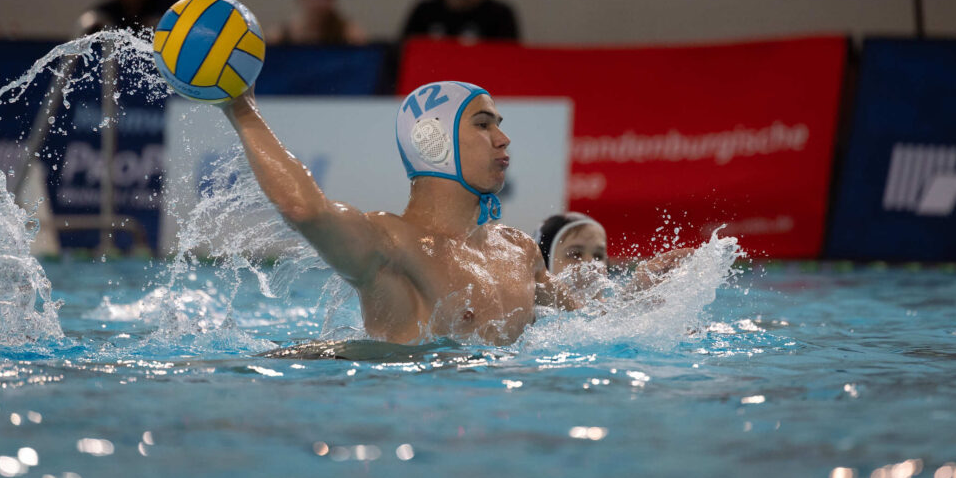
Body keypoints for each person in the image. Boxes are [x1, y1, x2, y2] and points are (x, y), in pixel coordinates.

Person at [224, 80, 687, 346]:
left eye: (499, 126)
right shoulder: (391, 243)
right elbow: (303, 207)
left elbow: (588, 323)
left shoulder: (518, 250)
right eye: (483, 125)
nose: (503, 139)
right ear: (433, 140)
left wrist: (640, 298)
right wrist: (239, 107)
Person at [536, 212, 692, 292]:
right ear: (543, 265)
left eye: (598, 256)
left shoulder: (613, 312)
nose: (591, 263)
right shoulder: (530, 315)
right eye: (575, 254)